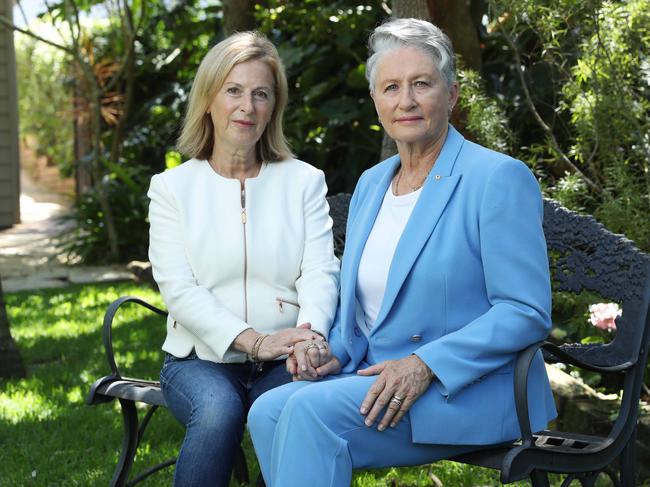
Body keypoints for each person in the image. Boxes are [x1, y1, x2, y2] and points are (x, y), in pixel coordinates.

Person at [247, 18, 557, 487]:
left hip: (465, 389)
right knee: (268, 408)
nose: (406, 100)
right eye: (391, 87)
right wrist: (333, 351)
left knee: (310, 414)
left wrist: (425, 364)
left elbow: (525, 310)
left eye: (421, 84)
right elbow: (372, 308)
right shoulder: (373, 184)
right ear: (376, 102)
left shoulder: (496, 178)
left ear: (450, 95)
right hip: (378, 382)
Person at [147, 31, 339, 487]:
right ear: (208, 99)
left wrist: (310, 338)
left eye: (260, 94)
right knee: (218, 413)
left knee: (296, 410)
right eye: (233, 91)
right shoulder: (172, 190)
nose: (246, 107)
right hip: (198, 361)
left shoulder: (304, 182)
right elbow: (180, 291)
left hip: (286, 359)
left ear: (274, 106)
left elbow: (319, 270)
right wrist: (253, 341)